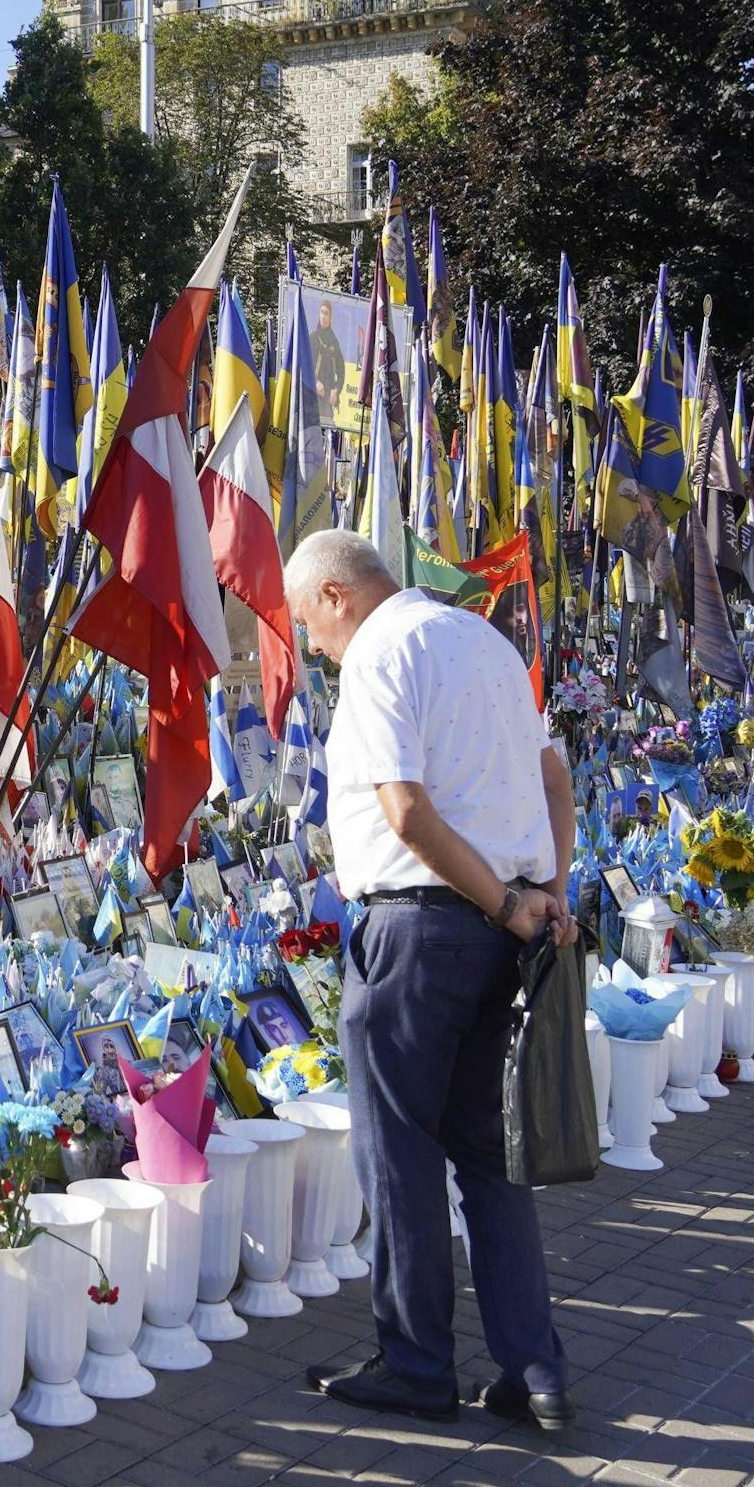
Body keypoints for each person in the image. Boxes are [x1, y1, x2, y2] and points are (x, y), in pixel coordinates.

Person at [284, 530, 576, 1430]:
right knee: (491, 1158)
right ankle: (536, 1371)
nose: (314, 650)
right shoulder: (480, 638)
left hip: (423, 927)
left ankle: (417, 1364)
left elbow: (404, 810)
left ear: (337, 595)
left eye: (308, 626)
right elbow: (552, 773)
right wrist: (543, 897)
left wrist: (498, 900)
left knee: (400, 1153)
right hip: (505, 925)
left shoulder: (379, 652)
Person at [309, 298, 348, 427]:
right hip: (311, 397)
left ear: (331, 317)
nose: (323, 316)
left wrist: (336, 391)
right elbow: (303, 365)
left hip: (327, 403)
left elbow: (341, 372)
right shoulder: (312, 338)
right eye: (321, 312)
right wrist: (314, 382)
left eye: (326, 313)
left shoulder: (334, 343)